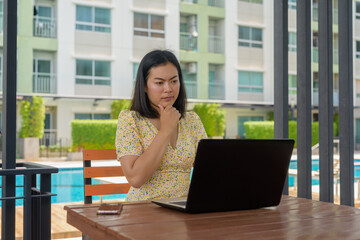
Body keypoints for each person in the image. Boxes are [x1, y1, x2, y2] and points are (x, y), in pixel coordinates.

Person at [115, 50, 207, 201]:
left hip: (183, 209)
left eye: (174, 81)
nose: (168, 89)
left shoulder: (191, 121)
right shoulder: (130, 120)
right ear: (144, 86)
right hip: (143, 211)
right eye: (159, 82)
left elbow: (209, 172)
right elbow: (135, 179)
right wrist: (165, 130)